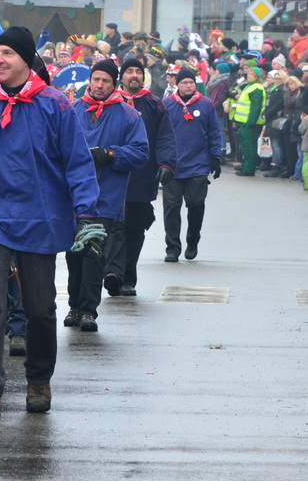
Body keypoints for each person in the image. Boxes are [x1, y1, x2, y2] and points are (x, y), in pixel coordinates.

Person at [0, 26, 102, 420]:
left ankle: (38, 381)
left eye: (6, 54)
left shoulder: (55, 106)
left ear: (25, 60)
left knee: (41, 308)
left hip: (40, 218)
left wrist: (87, 215)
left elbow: (78, 163)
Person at [65, 60, 148, 332]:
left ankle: (89, 310)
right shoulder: (72, 110)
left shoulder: (128, 115)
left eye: (106, 81)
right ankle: (74, 305)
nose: (99, 85)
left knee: (94, 253)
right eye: (96, 80)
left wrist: (110, 154)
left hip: (107, 196)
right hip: (73, 195)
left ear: (115, 85)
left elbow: (140, 152)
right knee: (74, 254)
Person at [117, 57, 176, 295]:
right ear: (121, 77)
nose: (134, 75)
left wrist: (166, 163)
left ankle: (127, 278)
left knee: (134, 230)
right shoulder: (111, 102)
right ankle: (112, 272)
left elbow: (165, 136)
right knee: (112, 230)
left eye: (137, 71)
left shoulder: (154, 104)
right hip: (112, 178)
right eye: (129, 71)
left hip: (141, 179)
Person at [163, 68, 223, 262]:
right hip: (172, 166)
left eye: (191, 82)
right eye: (184, 82)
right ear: (177, 85)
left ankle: (192, 240)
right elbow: (160, 135)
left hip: (198, 165)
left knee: (196, 205)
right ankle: (172, 247)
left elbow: (215, 131)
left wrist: (215, 157)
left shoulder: (206, 104)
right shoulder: (167, 104)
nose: (188, 85)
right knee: (171, 208)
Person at [231, 64, 266, 176]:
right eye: (249, 73)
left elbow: (255, 107)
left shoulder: (257, 88)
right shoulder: (250, 86)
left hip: (250, 123)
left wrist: (251, 122)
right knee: (246, 145)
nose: (249, 76)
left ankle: (249, 169)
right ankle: (246, 165)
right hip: (244, 121)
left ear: (257, 77)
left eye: (252, 74)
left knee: (250, 145)